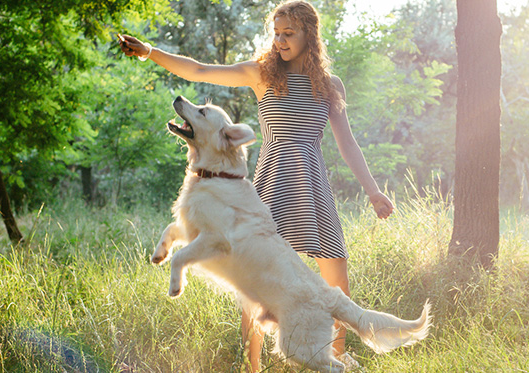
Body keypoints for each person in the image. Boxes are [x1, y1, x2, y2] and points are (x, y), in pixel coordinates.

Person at [119, 1, 395, 371]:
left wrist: (373, 190)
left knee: (336, 278)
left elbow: (347, 143)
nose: (279, 41)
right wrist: (151, 53)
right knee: (257, 273)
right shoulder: (262, 75)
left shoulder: (329, 85)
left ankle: (335, 358)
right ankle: (253, 365)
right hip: (271, 180)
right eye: (276, 33)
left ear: (308, 35)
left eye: (288, 34)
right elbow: (200, 70)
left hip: (312, 184)